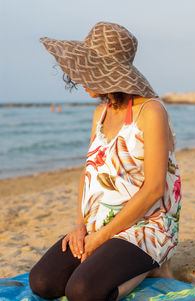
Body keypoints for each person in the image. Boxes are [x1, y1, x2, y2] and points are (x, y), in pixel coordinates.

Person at [29, 22, 182, 300]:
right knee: (42, 282)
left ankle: (151, 266)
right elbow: (88, 173)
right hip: (99, 221)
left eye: (87, 69)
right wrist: (80, 226)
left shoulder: (150, 111)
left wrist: (100, 239)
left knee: (82, 291)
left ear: (107, 72)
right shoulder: (100, 113)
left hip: (145, 224)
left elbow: (155, 188)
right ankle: (120, 259)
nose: (80, 76)